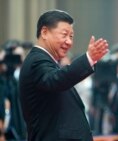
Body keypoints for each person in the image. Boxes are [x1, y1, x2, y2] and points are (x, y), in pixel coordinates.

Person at [19, 10, 109, 141]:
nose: (69, 42)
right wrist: (88, 59)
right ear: (44, 32)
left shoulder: (48, 62)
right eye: (64, 35)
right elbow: (56, 80)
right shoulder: (37, 60)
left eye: (71, 36)